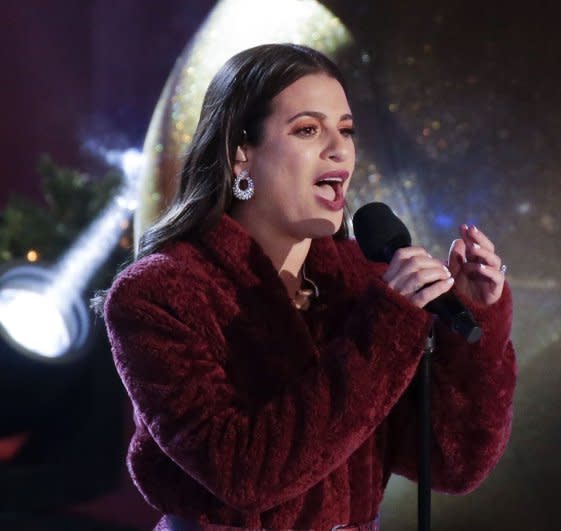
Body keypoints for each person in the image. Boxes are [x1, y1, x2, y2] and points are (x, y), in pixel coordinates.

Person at [102, 43, 516, 531]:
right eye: (307, 129)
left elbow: (453, 465)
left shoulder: (363, 283)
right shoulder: (160, 293)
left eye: (346, 130)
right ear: (241, 155)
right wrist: (384, 331)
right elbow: (245, 475)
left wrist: (471, 331)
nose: (339, 149)